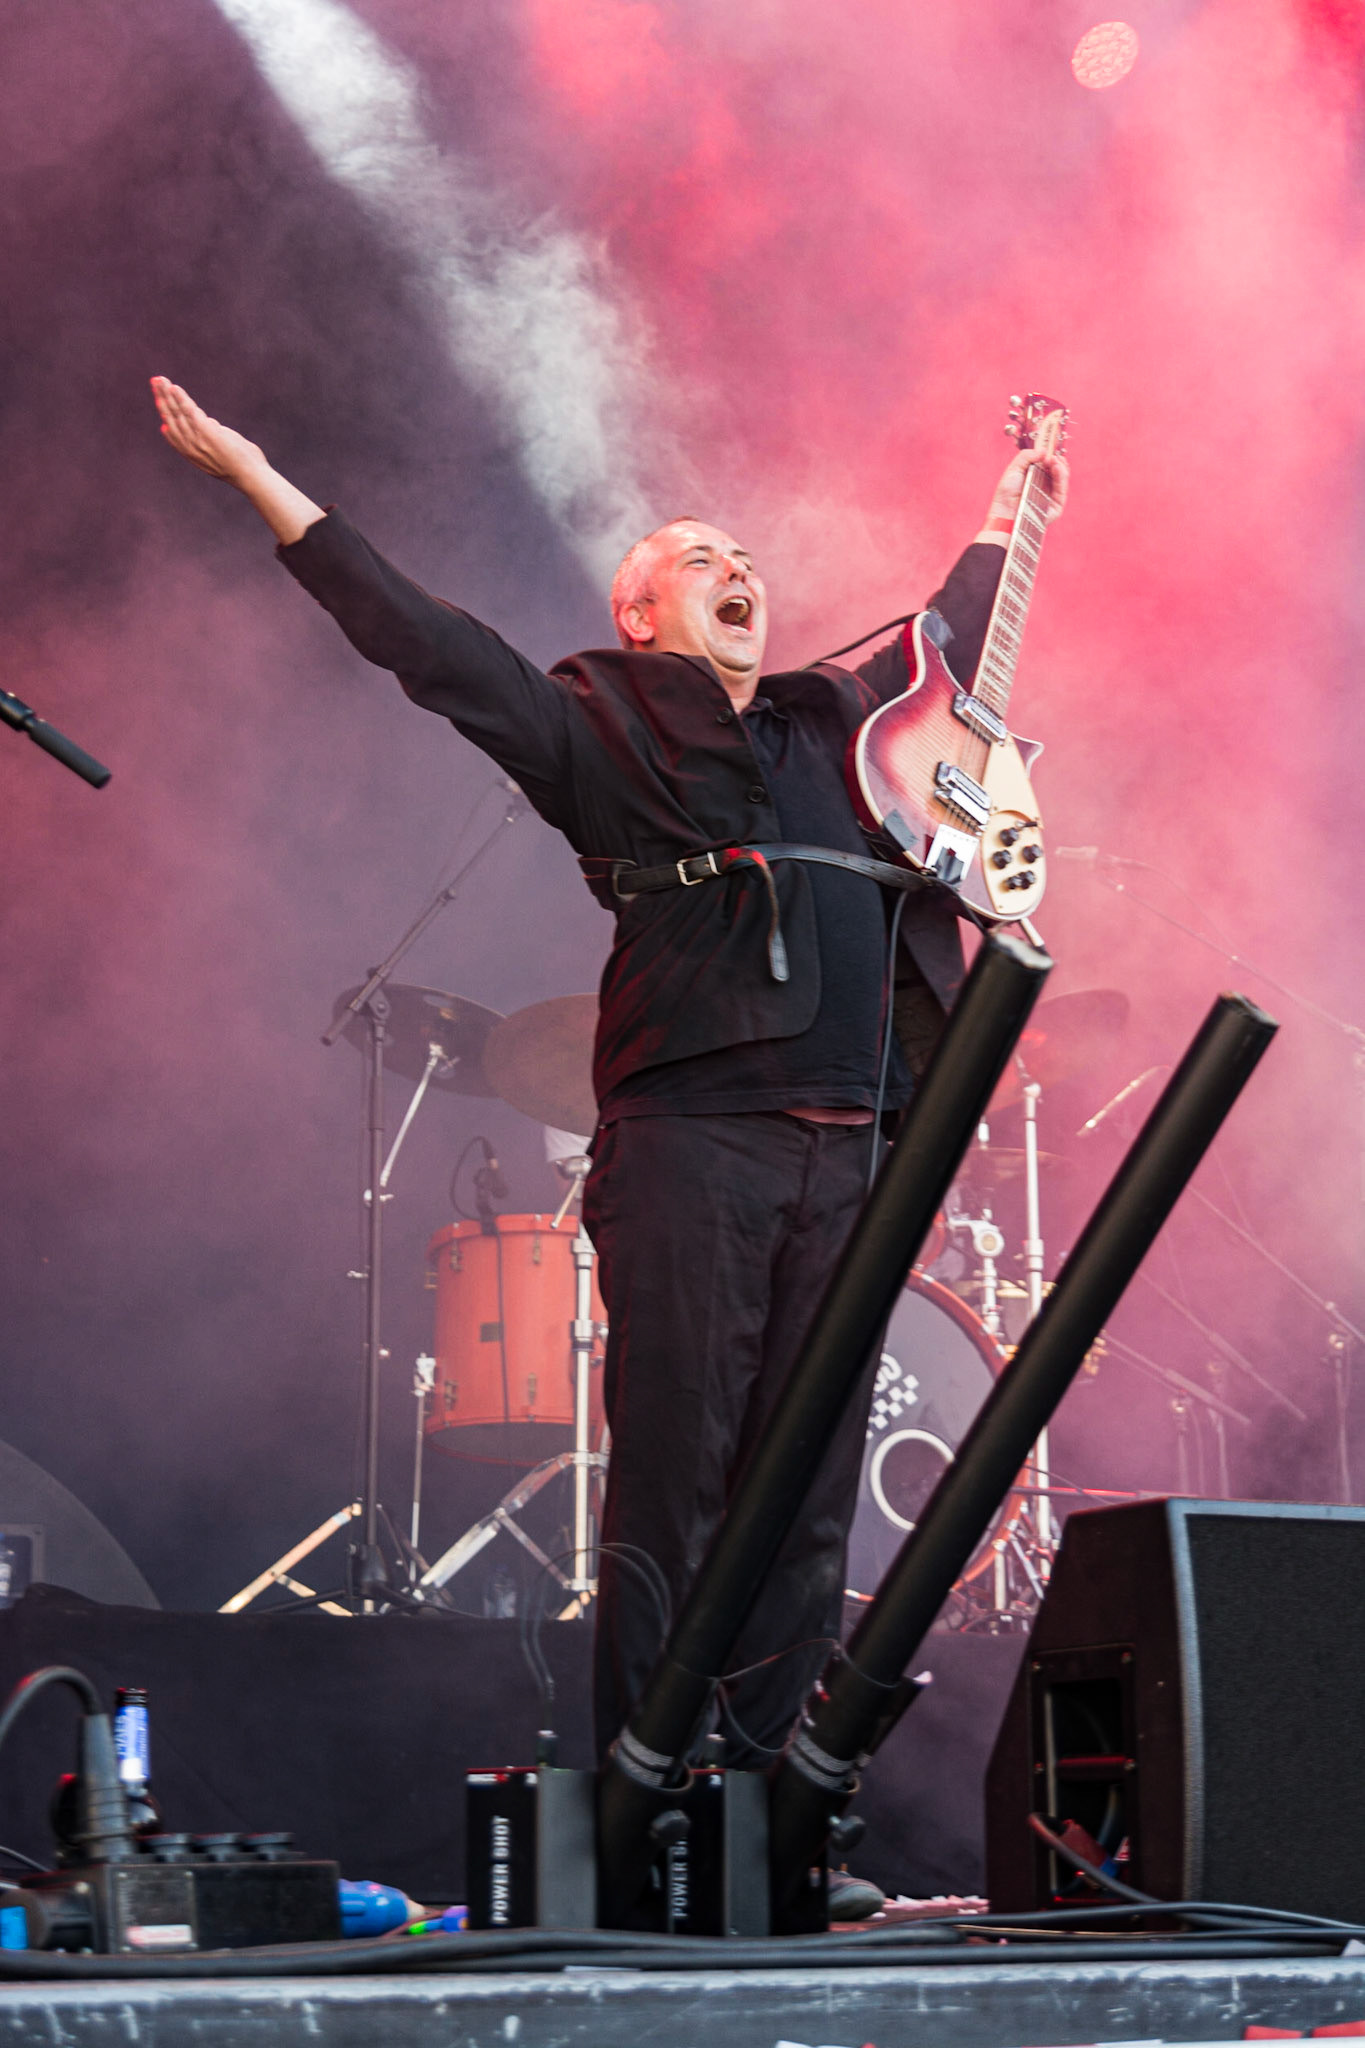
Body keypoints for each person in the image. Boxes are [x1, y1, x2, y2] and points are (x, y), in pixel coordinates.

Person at [150, 377, 1066, 1781]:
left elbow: (954, 626)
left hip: (856, 1139)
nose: (736, 569)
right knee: (677, 1473)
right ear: (640, 612)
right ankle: (655, 1789)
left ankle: (775, 1800)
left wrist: (1019, 496)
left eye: (743, 556)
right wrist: (263, 482)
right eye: (700, 561)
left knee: (812, 1488)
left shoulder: (840, 722)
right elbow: (428, 643)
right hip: (697, 1135)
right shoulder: (601, 724)